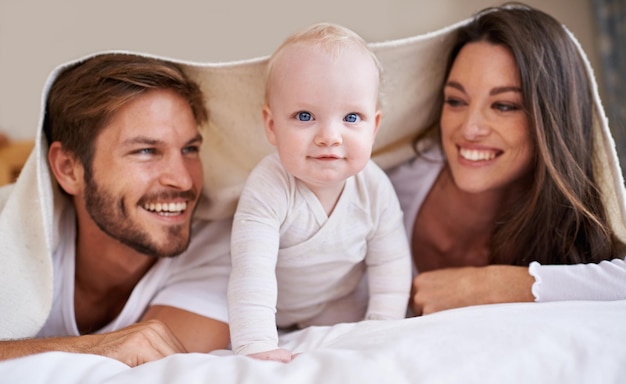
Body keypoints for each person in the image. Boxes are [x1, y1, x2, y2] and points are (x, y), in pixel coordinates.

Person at [385, 2, 626, 316]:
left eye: (504, 106)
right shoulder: (387, 193)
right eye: (456, 101)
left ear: (552, 121)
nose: (469, 129)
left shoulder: (574, 221)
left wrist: (492, 285)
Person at [0, 54, 232, 367]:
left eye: (189, 149)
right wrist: (94, 348)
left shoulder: (221, 246)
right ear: (69, 169)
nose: (183, 179)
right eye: (147, 151)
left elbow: (155, 373)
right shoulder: (9, 230)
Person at [227, 23, 412, 362]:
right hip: (268, 303)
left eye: (352, 117)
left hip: (335, 301)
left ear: (375, 126)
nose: (329, 136)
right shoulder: (269, 186)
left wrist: (382, 328)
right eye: (305, 116)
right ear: (272, 126)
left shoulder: (374, 187)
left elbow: (391, 264)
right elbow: (252, 268)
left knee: (350, 353)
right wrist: (256, 344)